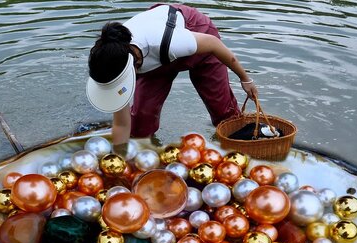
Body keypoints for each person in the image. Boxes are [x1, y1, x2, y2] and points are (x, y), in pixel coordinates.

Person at [86, 3, 258, 155]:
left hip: (199, 38)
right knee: (140, 126)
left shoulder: (170, 41)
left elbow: (213, 43)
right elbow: (122, 124)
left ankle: (238, 151)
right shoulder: (113, 65)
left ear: (133, 66)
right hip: (154, 59)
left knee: (224, 115)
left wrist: (245, 78)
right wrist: (120, 157)